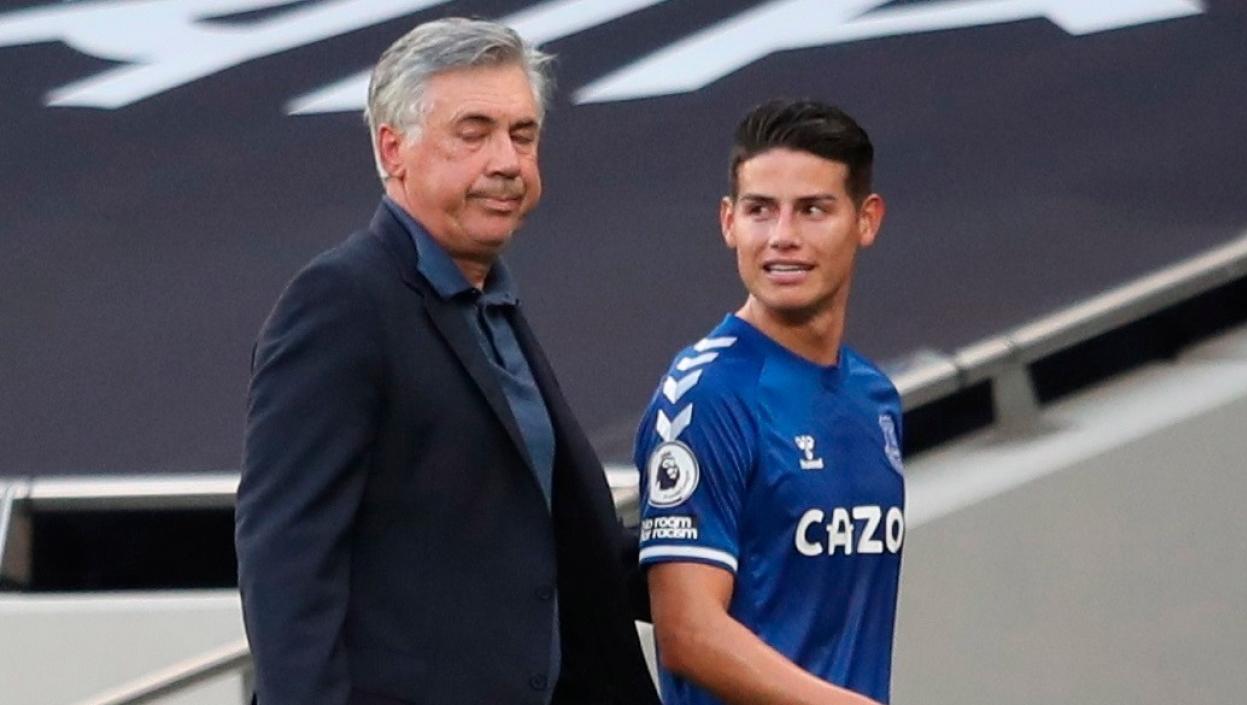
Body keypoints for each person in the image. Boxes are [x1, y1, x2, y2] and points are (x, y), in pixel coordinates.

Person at [235, 18, 660, 705]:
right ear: (392, 149)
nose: (506, 161)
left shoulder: (490, 304)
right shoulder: (339, 302)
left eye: (522, 135)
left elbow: (556, 542)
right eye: (474, 132)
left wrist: (714, 556)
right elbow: (287, 567)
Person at [635, 99, 905, 705]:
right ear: (729, 222)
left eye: (812, 210)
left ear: (866, 221)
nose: (783, 237)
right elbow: (687, 630)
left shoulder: (876, 397)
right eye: (761, 210)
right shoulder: (704, 395)